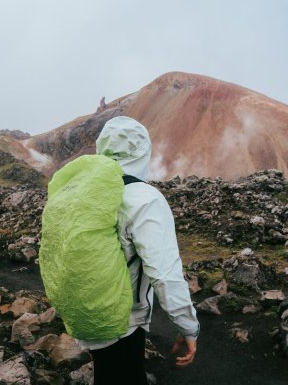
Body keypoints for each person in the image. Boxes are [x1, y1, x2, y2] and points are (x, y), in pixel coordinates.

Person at [78, 116, 200, 385]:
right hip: (123, 321)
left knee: (107, 376)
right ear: (142, 152)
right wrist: (188, 326)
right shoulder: (143, 199)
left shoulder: (83, 193)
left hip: (85, 313)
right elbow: (165, 275)